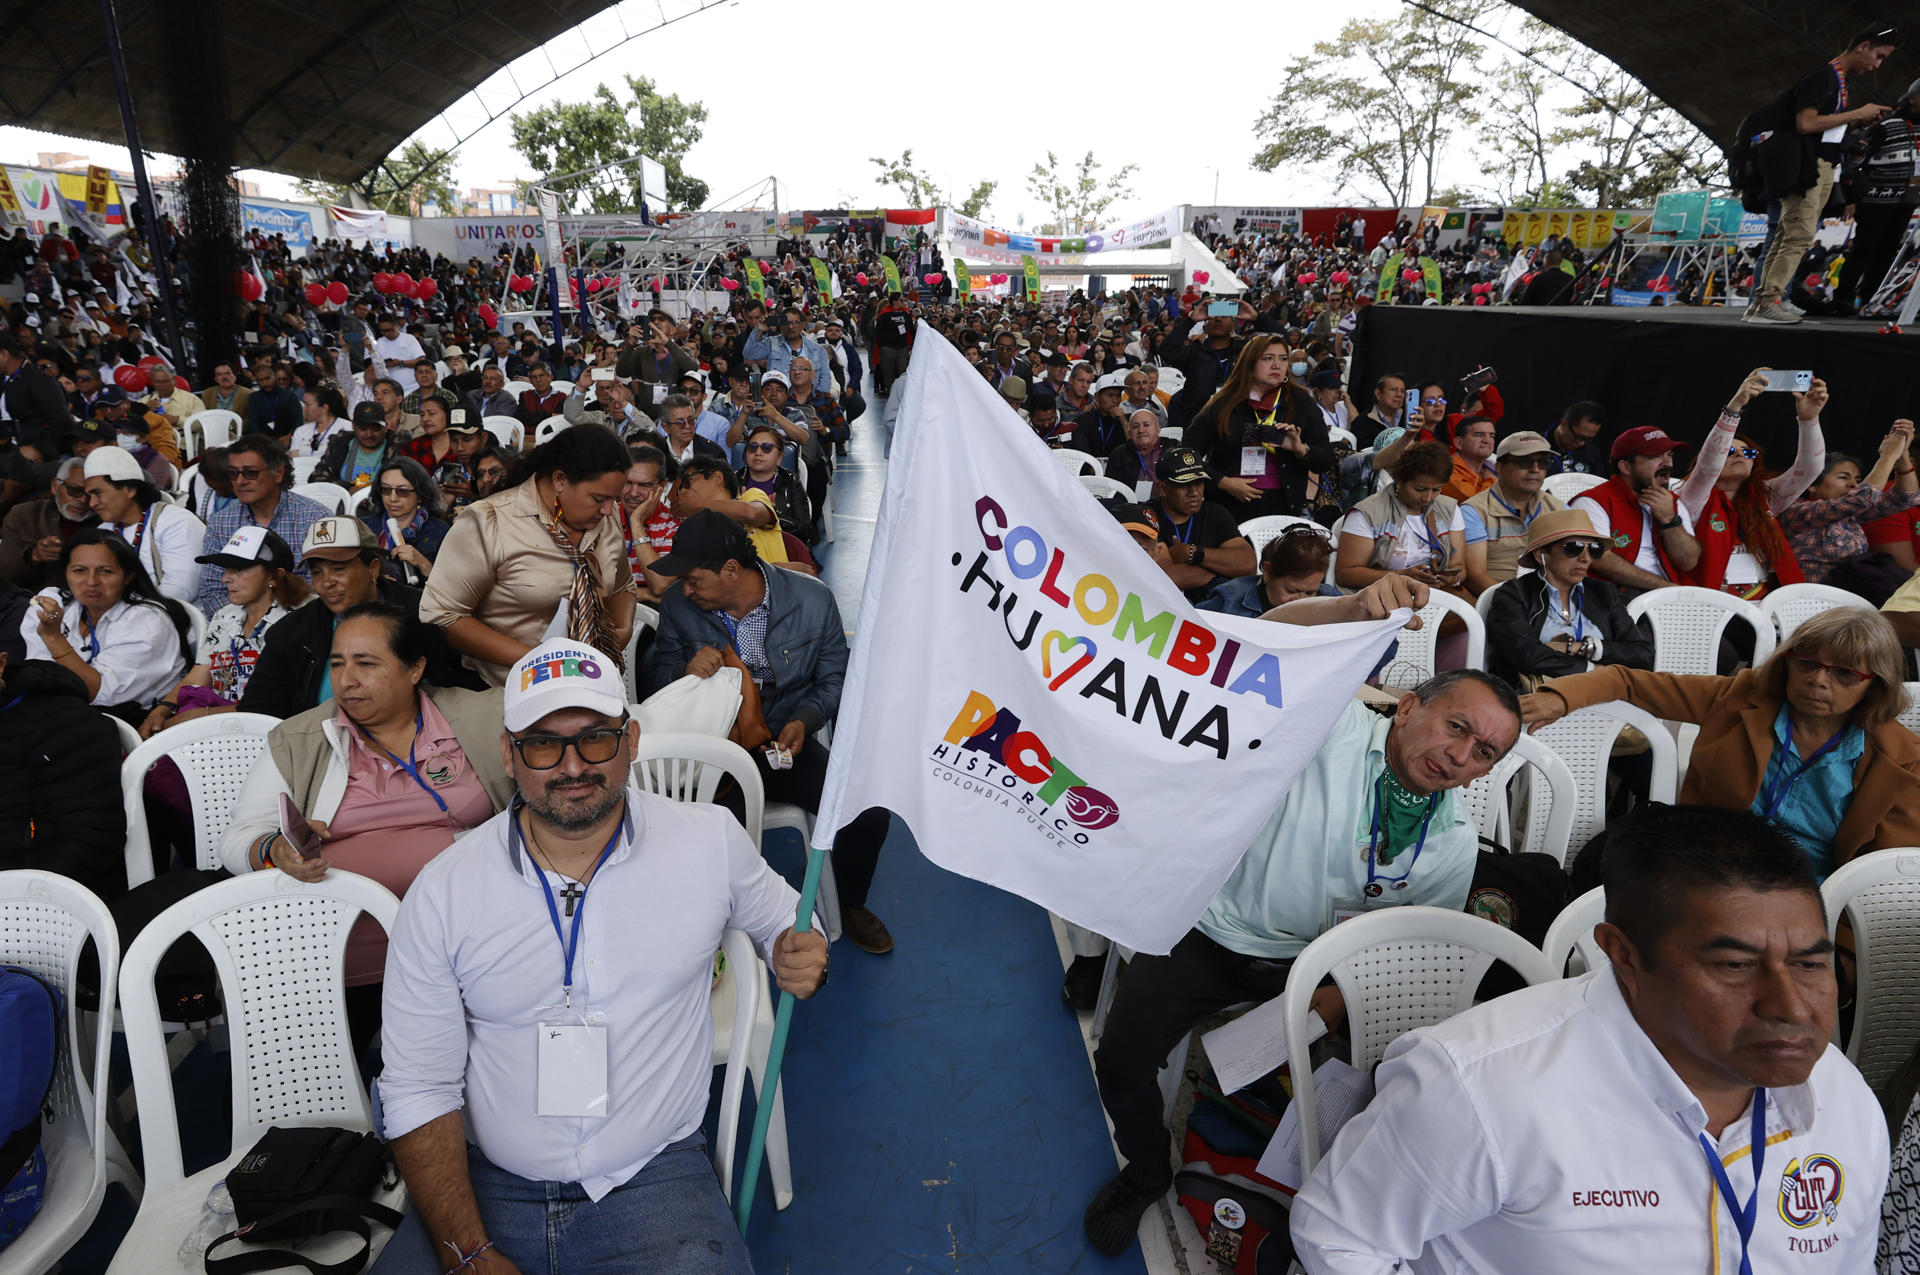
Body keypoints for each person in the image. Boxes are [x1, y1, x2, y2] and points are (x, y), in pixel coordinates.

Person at [368, 637, 825, 1275]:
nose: (573, 765)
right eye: (543, 743)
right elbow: (418, 1085)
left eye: (596, 738)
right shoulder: (444, 891)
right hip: (486, 1183)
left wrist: (798, 952)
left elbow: (792, 923)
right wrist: (467, 1251)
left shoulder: (709, 843)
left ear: (631, 740)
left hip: (652, 1177)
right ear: (509, 753)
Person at [1290, 804, 1888, 1272]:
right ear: (1623, 955)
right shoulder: (1481, 1090)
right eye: (1735, 967)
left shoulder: (1843, 1097)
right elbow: (1340, 1238)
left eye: (1812, 965)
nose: (1791, 1009)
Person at [1086, 656, 1522, 1257]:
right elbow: (1269, 653)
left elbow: (1416, 942)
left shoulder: (1450, 840)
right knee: (1119, 1059)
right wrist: (1351, 608)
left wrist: (1345, 997)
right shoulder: (1332, 731)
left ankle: (1322, 1204)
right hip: (1216, 932)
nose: (1461, 755)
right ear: (1408, 708)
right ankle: (1145, 1168)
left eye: (1484, 752)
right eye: (1457, 727)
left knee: (1389, 1081)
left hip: (1317, 971)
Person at [222, 603, 509, 1054]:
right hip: (344, 958)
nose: (347, 679)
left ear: (415, 669)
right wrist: (274, 850)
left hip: (477, 946)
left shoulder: (483, 718)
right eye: (337, 663)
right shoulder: (300, 739)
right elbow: (238, 840)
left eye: (366, 663)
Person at [644, 510, 895, 953]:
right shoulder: (680, 609)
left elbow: (836, 678)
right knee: (711, 837)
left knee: (867, 810)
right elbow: (655, 683)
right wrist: (684, 670)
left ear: (731, 570)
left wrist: (804, 719)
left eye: (694, 578)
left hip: (780, 739)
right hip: (713, 754)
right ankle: (712, 932)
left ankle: (852, 902)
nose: (685, 589)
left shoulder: (812, 601)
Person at [1522, 607, 1918, 878]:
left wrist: (1848, 954)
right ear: (1788, 661)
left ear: (1875, 685)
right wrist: (1560, 697)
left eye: (1845, 674)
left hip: (1815, 896)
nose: (1818, 680)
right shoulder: (1741, 698)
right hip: (1709, 869)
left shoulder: (1902, 762)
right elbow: (1628, 681)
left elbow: (1887, 875)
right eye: (1807, 663)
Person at [421, 425, 638, 688]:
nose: (608, 509)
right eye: (598, 498)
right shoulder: (491, 521)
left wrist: (620, 633)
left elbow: (624, 584)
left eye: (614, 499)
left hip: (590, 682)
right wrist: (544, 662)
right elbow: (445, 613)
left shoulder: (607, 517)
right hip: (506, 687)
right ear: (559, 480)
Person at [1746, 28, 1901, 324]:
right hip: (1807, 166)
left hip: (1822, 164)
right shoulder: (1823, 77)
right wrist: (1856, 113)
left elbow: (1824, 127)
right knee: (1797, 235)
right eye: (1878, 56)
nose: (1878, 65)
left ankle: (1769, 298)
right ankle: (1767, 301)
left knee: (1791, 235)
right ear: (1863, 46)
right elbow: (1806, 123)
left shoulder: (1837, 83)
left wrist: (1856, 123)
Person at [239, 517, 464, 720]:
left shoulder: (424, 614)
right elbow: (257, 712)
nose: (327, 583)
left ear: (373, 569)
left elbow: (462, 686)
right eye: (317, 572)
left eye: (338, 568)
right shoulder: (291, 633)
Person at [143, 527, 308, 736]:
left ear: (275, 576)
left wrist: (200, 717)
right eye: (226, 569)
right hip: (215, 725)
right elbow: (197, 677)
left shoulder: (297, 621)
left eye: (238, 569)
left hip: (266, 731)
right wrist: (162, 710)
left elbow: (279, 704)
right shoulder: (226, 616)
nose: (226, 579)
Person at [1677, 369, 1828, 597]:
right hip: (1711, 605)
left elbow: (1810, 469)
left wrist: (1809, 420)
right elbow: (1707, 468)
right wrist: (1735, 406)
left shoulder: (1766, 498)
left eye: (1747, 452)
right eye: (1729, 451)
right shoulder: (1692, 497)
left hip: (1766, 603)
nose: (1740, 455)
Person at [19, 529, 193, 715]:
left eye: (105, 571)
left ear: (128, 576)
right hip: (62, 709)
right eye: (79, 571)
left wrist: (53, 637)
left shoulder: (147, 621)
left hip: (127, 721)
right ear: (66, 572)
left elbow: (96, 693)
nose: (91, 581)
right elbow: (40, 672)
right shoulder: (53, 603)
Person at [0, 651, 126, 896]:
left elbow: (95, 836)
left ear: (2, 662)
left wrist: (26, 903)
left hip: (40, 899)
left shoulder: (65, 723)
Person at [1484, 509, 1652, 687]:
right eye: (1574, 548)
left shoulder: (1603, 592)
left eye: (1594, 549)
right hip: (1537, 698)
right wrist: (1593, 671)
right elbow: (1527, 655)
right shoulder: (1513, 594)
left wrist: (1582, 647)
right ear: (1541, 554)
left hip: (1604, 698)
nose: (1586, 558)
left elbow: (1643, 654)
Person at [1188, 333, 1332, 521]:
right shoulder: (1224, 403)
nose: (1276, 365)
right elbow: (1187, 454)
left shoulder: (1300, 401)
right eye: (1267, 358)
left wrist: (1301, 450)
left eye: (1283, 359)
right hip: (1228, 503)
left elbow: (1326, 458)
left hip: (1285, 505)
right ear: (1249, 363)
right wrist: (1222, 482)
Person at [1778, 420, 1920, 603]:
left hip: (1855, 602)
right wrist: (1887, 458)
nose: (1853, 484)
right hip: (1809, 606)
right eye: (1843, 477)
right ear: (1812, 484)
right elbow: (1861, 498)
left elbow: (1906, 498)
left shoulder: (1852, 516)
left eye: (1857, 479)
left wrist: (1902, 455)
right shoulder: (1796, 512)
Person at [195, 433, 333, 616]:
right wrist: (251, 623)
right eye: (233, 473)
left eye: (250, 472)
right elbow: (212, 591)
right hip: (239, 629)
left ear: (278, 473)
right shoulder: (221, 522)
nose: (240, 481)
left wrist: (276, 624)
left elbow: (326, 587)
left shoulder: (315, 518)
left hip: (301, 627)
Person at [1572, 425, 1702, 596]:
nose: (1668, 463)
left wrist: (1670, 520)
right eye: (1655, 456)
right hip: (1613, 597)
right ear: (1625, 467)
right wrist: (1664, 588)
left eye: (1670, 455)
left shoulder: (1672, 503)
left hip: (1668, 596)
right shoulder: (1592, 502)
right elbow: (1600, 559)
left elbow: (1689, 561)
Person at [81, 445, 206, 605]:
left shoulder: (177, 522)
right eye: (89, 496)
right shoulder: (104, 531)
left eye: (98, 493)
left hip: (176, 621)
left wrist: (127, 613)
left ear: (130, 489)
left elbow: (181, 590)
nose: (92, 503)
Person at [1835, 76, 1920, 312]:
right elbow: (1855, 157)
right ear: (1911, 99)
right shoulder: (1886, 126)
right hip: (1875, 199)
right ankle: (1842, 299)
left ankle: (1872, 299)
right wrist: (1853, 194)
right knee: (1864, 248)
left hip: (1907, 199)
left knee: (1888, 250)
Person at [1336, 440, 1466, 593]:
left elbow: (1459, 566)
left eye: (1437, 489)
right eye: (1420, 489)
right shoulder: (1367, 513)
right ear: (1399, 479)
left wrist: (1452, 578)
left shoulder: (1449, 508)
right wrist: (1400, 575)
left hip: (1436, 594)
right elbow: (1346, 574)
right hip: (1381, 595)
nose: (1428, 497)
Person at [1146, 446, 1257, 603]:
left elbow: (1248, 564)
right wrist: (1222, 569)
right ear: (1162, 489)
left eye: (1199, 482)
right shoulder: (1149, 516)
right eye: (1184, 484)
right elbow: (1169, 578)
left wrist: (1192, 553)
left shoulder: (1216, 513)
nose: (1194, 492)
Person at [1461, 431, 1565, 594]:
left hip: (1550, 598)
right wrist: (1516, 603)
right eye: (1524, 462)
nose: (1535, 469)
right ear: (1499, 468)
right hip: (1497, 601)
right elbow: (1475, 577)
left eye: (1543, 462)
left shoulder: (1558, 507)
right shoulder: (1474, 511)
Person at [0, 459, 95, 591]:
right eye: (74, 491)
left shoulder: (104, 521)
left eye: (91, 494)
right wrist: (33, 556)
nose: (83, 500)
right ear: (55, 486)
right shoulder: (24, 515)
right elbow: (5, 573)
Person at [363, 457, 450, 586]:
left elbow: (450, 588)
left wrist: (423, 564)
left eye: (402, 491)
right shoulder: (364, 527)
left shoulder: (439, 531)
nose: (393, 498)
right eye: (386, 490)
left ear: (420, 495)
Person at [736, 420, 812, 543]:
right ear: (745, 454)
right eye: (752, 447)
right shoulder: (732, 481)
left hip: (782, 550)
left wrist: (772, 517)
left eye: (766, 448)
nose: (758, 452)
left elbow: (805, 531)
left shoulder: (791, 483)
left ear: (779, 458)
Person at [314, 401, 400, 491]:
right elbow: (317, 479)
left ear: (385, 427)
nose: (369, 434)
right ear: (353, 425)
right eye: (363, 429)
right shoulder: (340, 445)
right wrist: (349, 489)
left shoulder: (396, 448)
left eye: (376, 429)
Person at [1105, 407, 1165, 500]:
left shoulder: (1171, 450)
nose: (1141, 430)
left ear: (1158, 429)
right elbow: (1112, 492)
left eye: (1146, 425)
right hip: (1131, 507)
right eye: (1136, 426)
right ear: (1129, 432)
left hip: (1167, 506)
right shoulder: (1119, 455)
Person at [1442, 415, 1498, 501]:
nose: (1487, 440)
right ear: (1459, 443)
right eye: (1479, 435)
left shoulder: (1495, 467)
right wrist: (1491, 479)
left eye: (1492, 436)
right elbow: (1477, 504)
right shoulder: (1446, 470)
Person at [1546, 400, 1607, 475]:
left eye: (1588, 439)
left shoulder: (1591, 452)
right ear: (1564, 424)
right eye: (1579, 437)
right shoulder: (1536, 446)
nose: (1582, 443)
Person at [292, 385, 351, 459]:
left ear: (324, 408)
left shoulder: (348, 428)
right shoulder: (301, 431)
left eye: (308, 405)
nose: (304, 409)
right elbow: (293, 459)